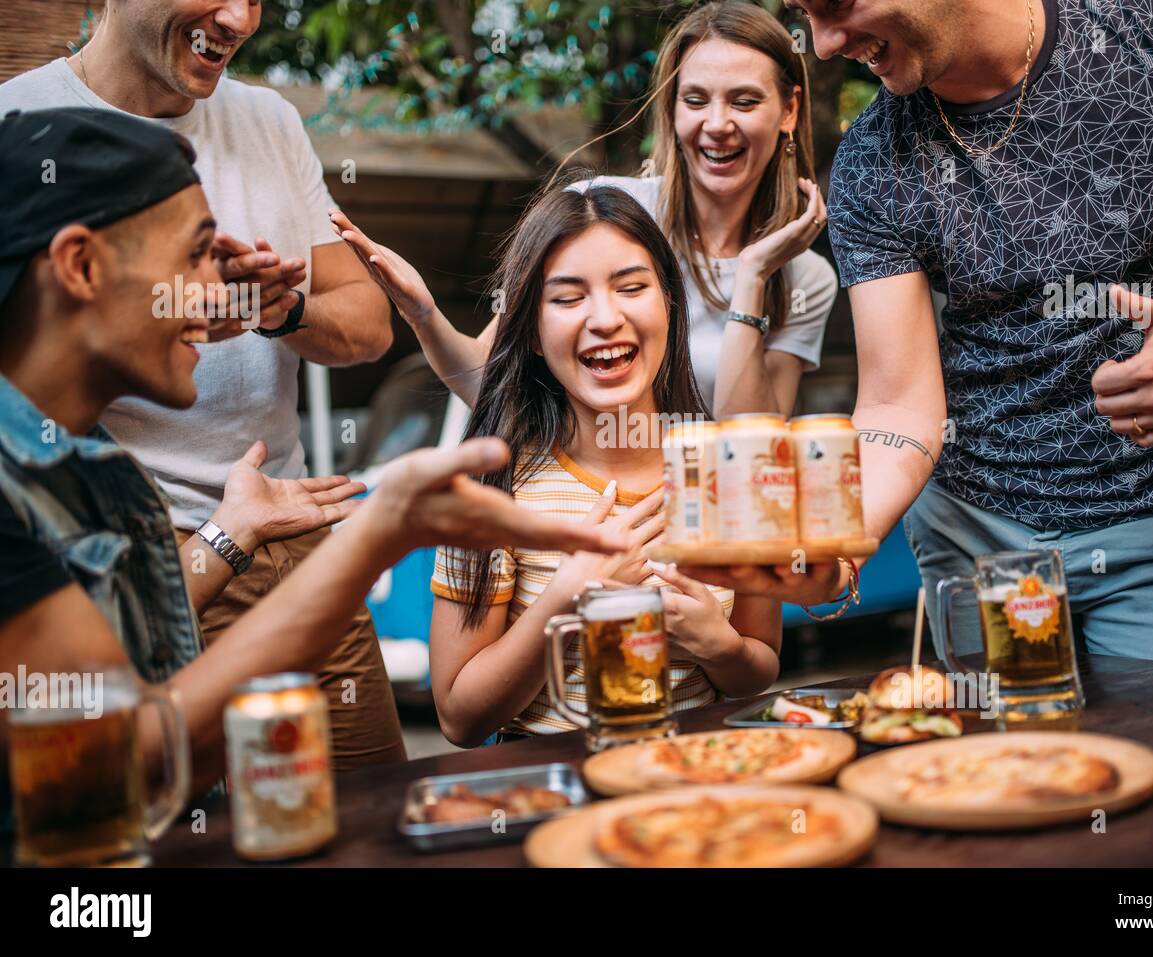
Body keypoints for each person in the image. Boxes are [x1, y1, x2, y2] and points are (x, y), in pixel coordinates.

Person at [0, 109, 625, 817]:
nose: (225, 293)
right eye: (198, 255)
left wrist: (231, 532)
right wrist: (373, 536)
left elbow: (114, 639)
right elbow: (131, 758)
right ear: (81, 266)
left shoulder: (80, 463)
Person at [714, 0, 1153, 665]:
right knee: (1000, 768)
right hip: (978, 543)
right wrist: (841, 544)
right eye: (804, 14)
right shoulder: (873, 158)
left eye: (836, 7)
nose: (820, 46)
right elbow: (897, 405)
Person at [0, 0, 407, 766]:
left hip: (269, 526)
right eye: (190, 256)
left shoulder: (268, 121)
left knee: (356, 813)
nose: (240, 15)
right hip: (134, 545)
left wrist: (274, 308)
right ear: (79, 263)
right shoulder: (17, 126)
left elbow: (369, 325)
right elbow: (115, 752)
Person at [330, 0, 835, 419]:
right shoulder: (608, 212)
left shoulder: (804, 278)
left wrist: (753, 275)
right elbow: (491, 384)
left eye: (744, 101)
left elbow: (748, 449)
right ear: (673, 108)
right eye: (696, 100)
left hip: (696, 525)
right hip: (578, 507)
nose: (717, 123)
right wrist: (424, 315)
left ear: (789, 110)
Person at [427, 186, 784, 747]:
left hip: (700, 796)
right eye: (567, 299)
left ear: (668, 303)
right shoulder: (490, 494)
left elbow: (757, 674)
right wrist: (571, 592)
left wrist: (722, 648)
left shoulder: (730, 472)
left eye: (632, 287)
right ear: (535, 336)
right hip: (555, 811)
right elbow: (459, 719)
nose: (605, 318)